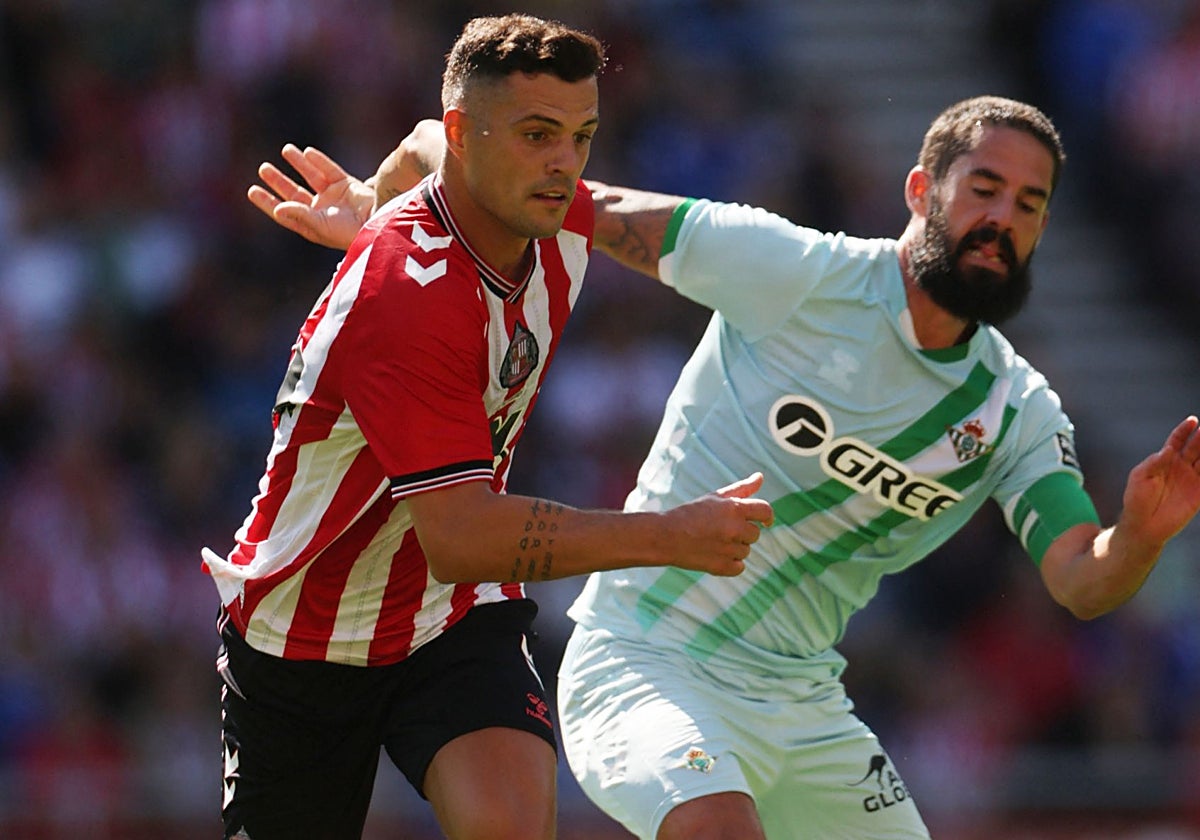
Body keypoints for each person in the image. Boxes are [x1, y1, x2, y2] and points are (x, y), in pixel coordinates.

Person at [253, 96, 1200, 839]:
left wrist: (1143, 537)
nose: (1002, 218)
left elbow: (1081, 578)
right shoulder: (797, 272)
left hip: (805, 705)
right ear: (920, 190)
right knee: (716, 829)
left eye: (1028, 205)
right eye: (983, 188)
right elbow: (533, 188)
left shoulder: (1016, 409)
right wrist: (388, 212)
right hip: (647, 660)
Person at [205, 14, 774, 840]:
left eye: (581, 137)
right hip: (304, 632)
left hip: (449, 614)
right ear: (478, 135)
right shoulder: (403, 293)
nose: (563, 166)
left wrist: (370, 198)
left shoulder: (555, 214)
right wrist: (671, 536)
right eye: (537, 135)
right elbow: (464, 535)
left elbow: (426, 138)